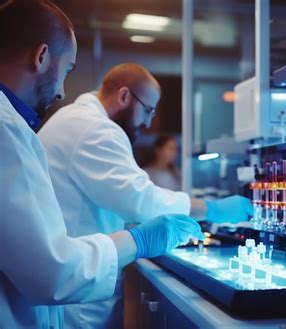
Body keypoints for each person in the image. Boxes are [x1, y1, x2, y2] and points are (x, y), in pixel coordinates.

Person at [0, 1, 204, 328]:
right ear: (40, 57)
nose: (62, 93)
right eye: (67, 70)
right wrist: (139, 240)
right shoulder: (8, 128)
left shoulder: (18, 124)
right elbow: (53, 273)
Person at [38, 63, 253, 328]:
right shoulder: (96, 129)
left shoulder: (75, 119)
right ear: (125, 96)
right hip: (79, 299)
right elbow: (142, 201)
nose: (149, 122)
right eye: (148, 110)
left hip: (77, 279)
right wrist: (212, 209)